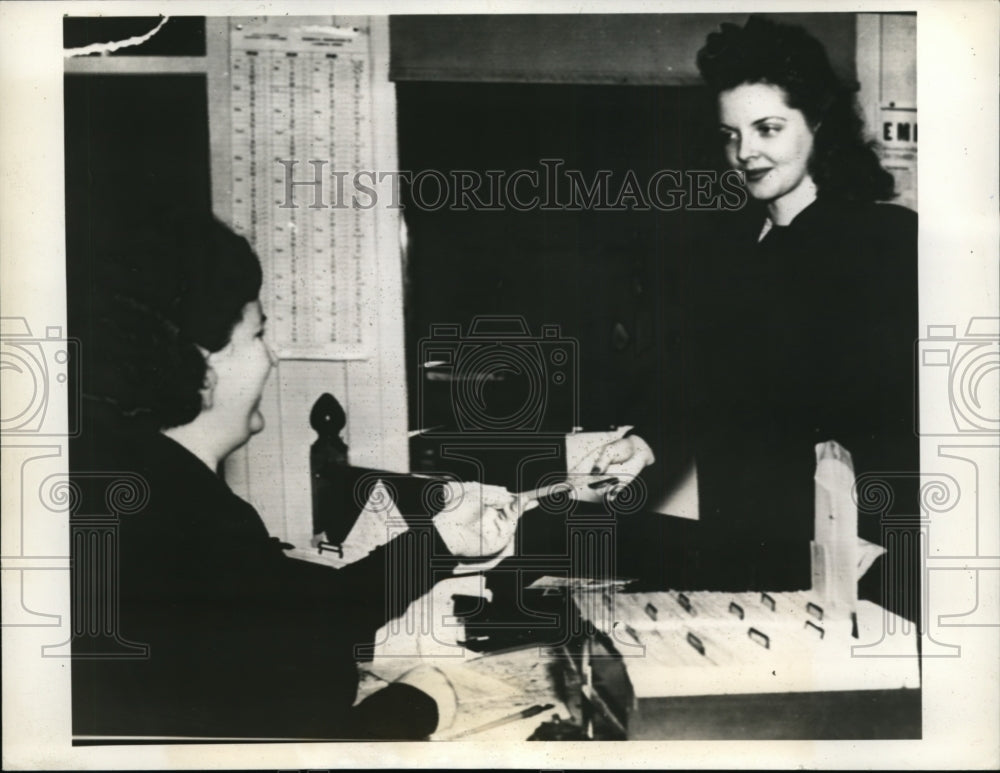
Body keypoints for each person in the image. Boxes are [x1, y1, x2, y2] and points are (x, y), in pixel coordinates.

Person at [70, 212, 521, 740]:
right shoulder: (193, 518)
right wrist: (417, 705)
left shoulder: (146, 489)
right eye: (259, 334)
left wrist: (441, 540)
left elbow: (292, 612)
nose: (273, 356)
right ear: (204, 365)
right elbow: (285, 736)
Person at [586, 16, 919, 620]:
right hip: (742, 534)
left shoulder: (885, 241)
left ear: (818, 124)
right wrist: (646, 442)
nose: (745, 152)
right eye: (730, 133)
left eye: (768, 128)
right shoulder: (729, 247)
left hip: (855, 543)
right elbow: (699, 374)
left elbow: (889, 409)